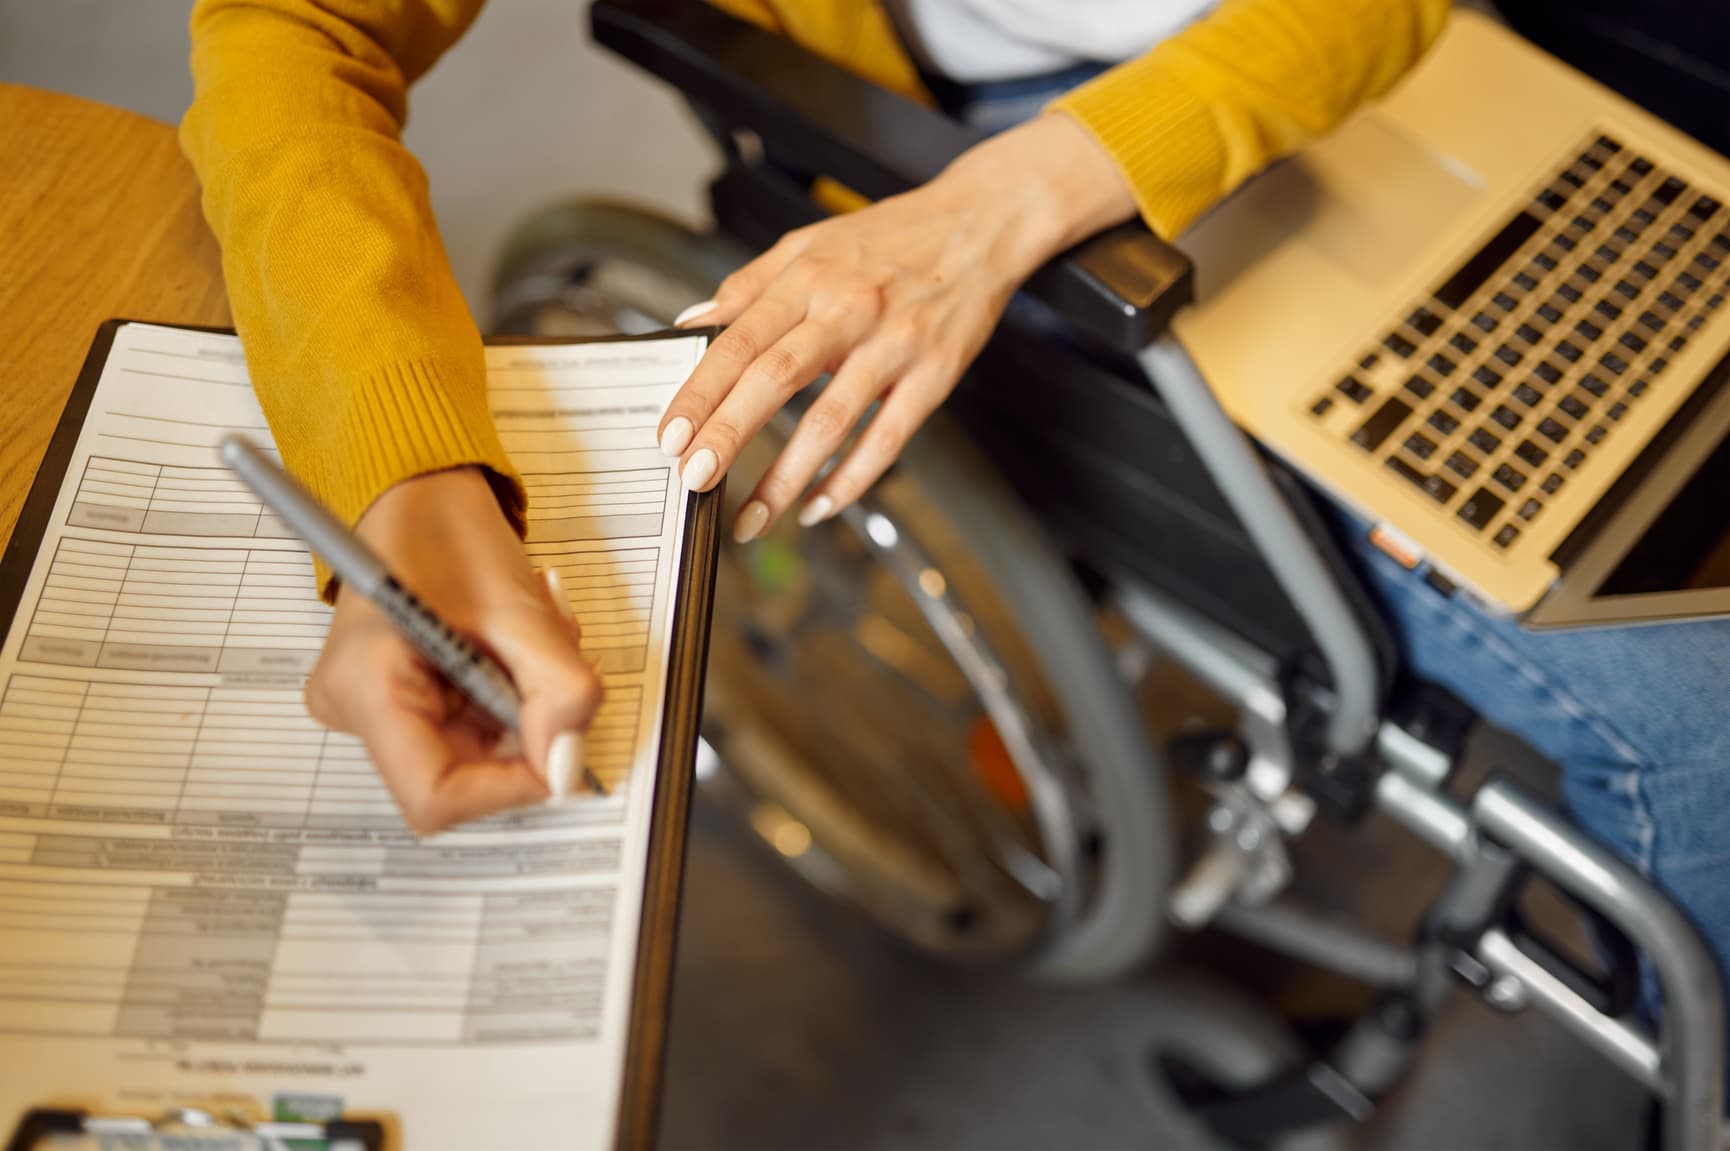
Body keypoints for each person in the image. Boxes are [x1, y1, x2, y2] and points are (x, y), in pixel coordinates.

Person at [185, 0, 1730, 1039]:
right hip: (1001, 138)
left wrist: (1026, 199)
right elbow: (289, 38)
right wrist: (404, 469)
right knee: (1696, 691)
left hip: (1387, 65)